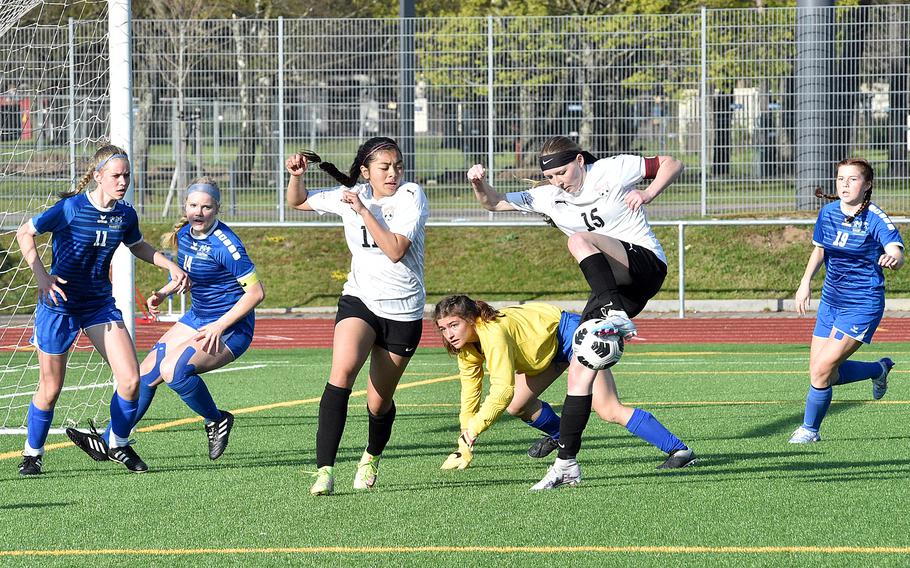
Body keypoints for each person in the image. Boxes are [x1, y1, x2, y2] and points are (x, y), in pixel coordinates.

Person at [467, 136, 695, 490]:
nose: (558, 181)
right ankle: (567, 463)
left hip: (645, 264)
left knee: (577, 239)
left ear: (579, 161)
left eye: (563, 171)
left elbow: (672, 163)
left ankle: (615, 314)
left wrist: (648, 194)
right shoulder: (547, 196)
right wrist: (480, 184)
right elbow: (493, 203)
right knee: (581, 379)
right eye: (552, 175)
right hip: (613, 290)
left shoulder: (610, 169)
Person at [14, 144, 188, 475]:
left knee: (131, 379)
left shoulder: (125, 214)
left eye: (127, 175)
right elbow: (26, 232)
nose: (123, 182)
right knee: (50, 389)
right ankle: (32, 454)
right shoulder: (70, 208)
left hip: (98, 306)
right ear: (98, 176)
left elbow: (137, 244)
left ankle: (118, 444)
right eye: (116, 176)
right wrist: (43, 278)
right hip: (59, 306)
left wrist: (170, 264)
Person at [66, 177, 264, 465]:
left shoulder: (227, 244)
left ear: (217, 209)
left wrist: (219, 326)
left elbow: (257, 293)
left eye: (206, 207)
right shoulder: (184, 234)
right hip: (198, 316)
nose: (199, 212)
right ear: (185, 206)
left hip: (232, 326)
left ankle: (217, 420)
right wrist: (163, 292)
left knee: (174, 370)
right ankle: (112, 440)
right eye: (194, 205)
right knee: (145, 374)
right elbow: (187, 275)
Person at [285, 137, 429, 495]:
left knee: (378, 403)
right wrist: (297, 176)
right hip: (360, 299)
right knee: (341, 374)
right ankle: (325, 471)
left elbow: (395, 251)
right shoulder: (349, 194)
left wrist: (365, 211)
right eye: (385, 167)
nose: (393, 173)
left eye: (397, 165)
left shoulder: (411, 195)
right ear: (366, 172)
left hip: (403, 309)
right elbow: (298, 201)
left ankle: (371, 455)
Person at [789, 158, 903, 443]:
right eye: (841, 179)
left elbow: (897, 251)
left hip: (862, 303)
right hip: (831, 300)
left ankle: (809, 430)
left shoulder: (875, 217)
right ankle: (878, 369)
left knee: (822, 370)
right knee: (823, 372)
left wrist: (894, 259)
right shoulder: (827, 213)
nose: (845, 184)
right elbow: (819, 251)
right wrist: (805, 284)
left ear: (867, 185)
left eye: (852, 179)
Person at [434, 297, 569, 471]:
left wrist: (473, 431)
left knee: (607, 409)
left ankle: (569, 457)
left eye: (454, 325)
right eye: (443, 329)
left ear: (470, 319)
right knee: (517, 406)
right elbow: (470, 390)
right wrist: (464, 438)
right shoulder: (467, 345)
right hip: (547, 350)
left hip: (569, 333)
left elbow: (503, 391)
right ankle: (564, 437)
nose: (449, 335)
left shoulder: (492, 332)